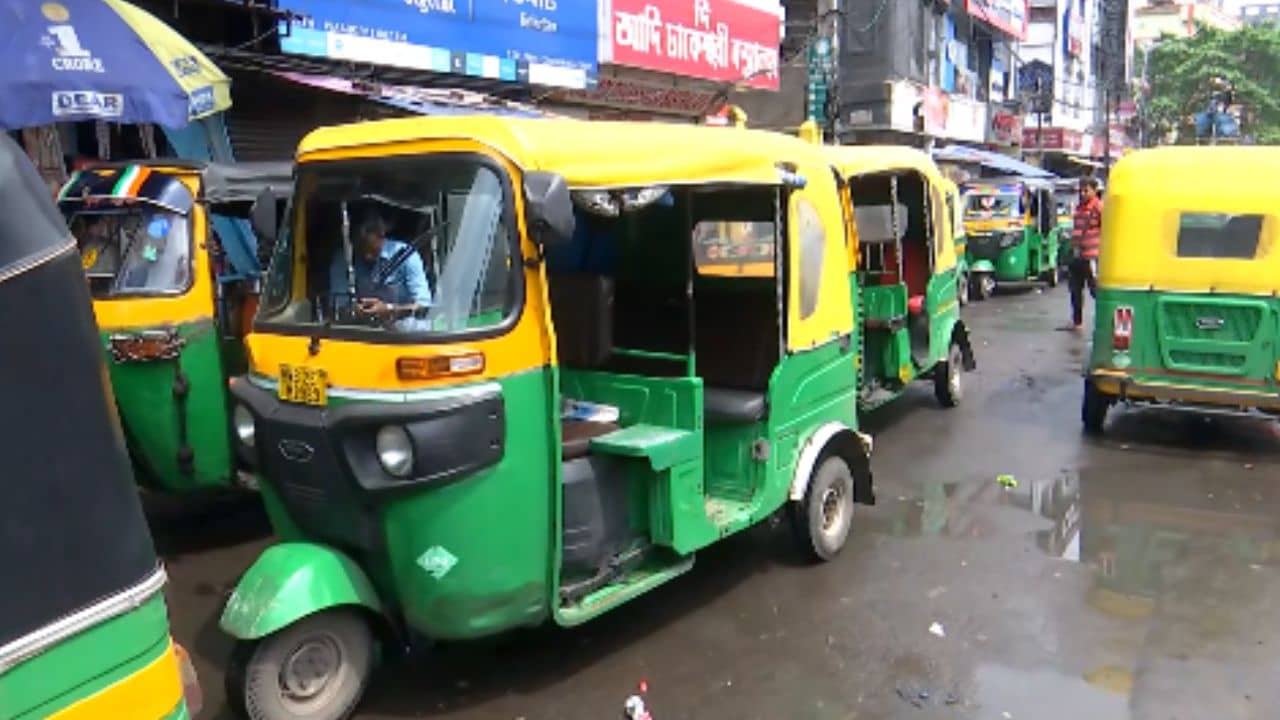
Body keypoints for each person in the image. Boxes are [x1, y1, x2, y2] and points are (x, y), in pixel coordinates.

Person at [331, 214, 432, 324]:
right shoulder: (344, 258)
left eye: (371, 250)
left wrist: (390, 310)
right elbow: (338, 307)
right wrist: (354, 310)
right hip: (362, 332)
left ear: (381, 236)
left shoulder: (407, 255)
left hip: (406, 335)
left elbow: (425, 306)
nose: (366, 256)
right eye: (360, 248)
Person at [1066, 176, 1102, 331]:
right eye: (1081, 190)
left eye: (1086, 190)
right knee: (1075, 290)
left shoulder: (1099, 208)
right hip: (1077, 255)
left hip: (1092, 255)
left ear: (1094, 191)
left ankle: (1104, 320)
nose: (1082, 193)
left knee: (1095, 290)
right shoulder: (1079, 208)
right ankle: (1077, 322)